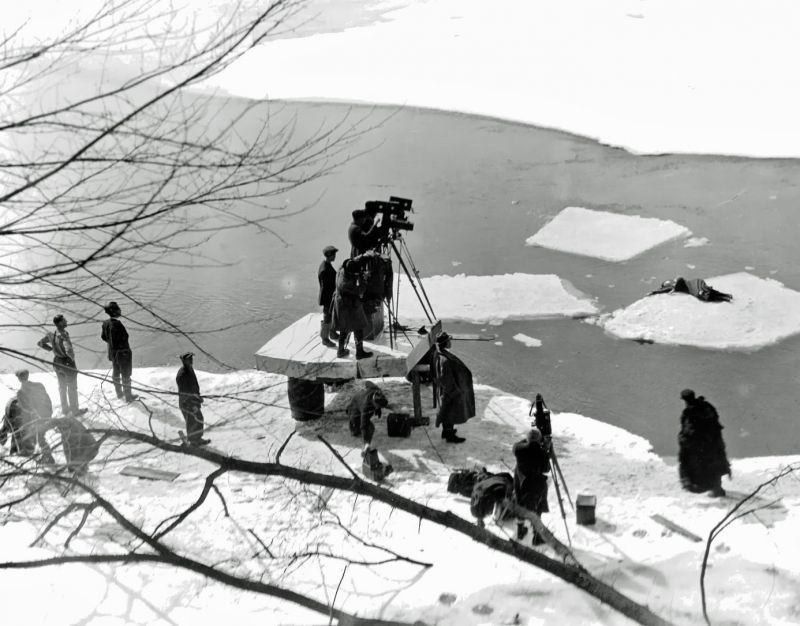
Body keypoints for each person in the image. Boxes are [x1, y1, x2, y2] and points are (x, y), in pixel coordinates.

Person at [678, 389, 731, 497]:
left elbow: (690, 429)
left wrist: (683, 439)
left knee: (700, 464)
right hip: (712, 442)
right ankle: (716, 487)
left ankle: (702, 487)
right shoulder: (707, 406)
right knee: (713, 463)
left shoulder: (690, 411)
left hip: (701, 443)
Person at [37, 314, 87, 417]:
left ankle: (65, 409)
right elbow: (68, 349)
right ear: (60, 322)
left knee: (62, 387)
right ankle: (75, 410)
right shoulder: (64, 334)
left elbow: (40, 343)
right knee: (72, 388)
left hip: (56, 362)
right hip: (66, 363)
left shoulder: (51, 334)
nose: (66, 321)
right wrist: (71, 359)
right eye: (64, 320)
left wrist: (50, 349)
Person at [432, 332, 475, 444]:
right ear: (445, 343)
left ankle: (447, 431)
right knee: (449, 412)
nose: (450, 342)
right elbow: (445, 378)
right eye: (449, 340)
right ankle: (449, 436)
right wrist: (455, 392)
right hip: (449, 391)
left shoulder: (439, 354)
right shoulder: (444, 360)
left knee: (447, 411)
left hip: (447, 390)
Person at [513, 428, 551, 543]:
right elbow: (546, 469)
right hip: (535, 484)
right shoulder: (542, 453)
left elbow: (519, 444)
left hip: (520, 482)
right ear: (539, 440)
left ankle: (520, 530)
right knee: (538, 507)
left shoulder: (518, 449)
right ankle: (537, 536)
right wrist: (546, 449)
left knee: (520, 504)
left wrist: (534, 442)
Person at [331, 256, 373, 360]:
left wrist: (364, 256)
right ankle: (359, 353)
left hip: (341, 304)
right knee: (358, 328)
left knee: (343, 328)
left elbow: (353, 265)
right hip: (348, 305)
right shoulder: (345, 284)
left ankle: (340, 351)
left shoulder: (342, 269)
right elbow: (360, 291)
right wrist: (364, 278)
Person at [101, 301, 138, 402]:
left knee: (116, 373)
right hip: (122, 354)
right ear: (115, 311)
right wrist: (124, 350)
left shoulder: (105, 323)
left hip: (113, 354)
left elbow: (104, 337)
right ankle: (128, 397)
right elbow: (121, 339)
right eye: (118, 308)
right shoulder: (116, 325)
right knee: (126, 375)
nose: (120, 310)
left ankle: (119, 393)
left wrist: (113, 348)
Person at [176, 352, 210, 446]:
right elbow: (185, 392)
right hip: (187, 402)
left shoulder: (190, 369)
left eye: (191, 359)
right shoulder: (182, 374)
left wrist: (198, 397)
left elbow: (194, 387)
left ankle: (197, 439)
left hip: (193, 400)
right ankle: (193, 441)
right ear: (184, 361)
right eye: (189, 360)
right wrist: (192, 402)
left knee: (198, 419)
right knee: (192, 421)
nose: (191, 361)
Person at [318, 245, 340, 348]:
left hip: (330, 296)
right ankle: (325, 339)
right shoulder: (324, 270)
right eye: (334, 254)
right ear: (329, 255)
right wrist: (331, 299)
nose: (335, 256)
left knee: (331, 315)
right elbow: (325, 288)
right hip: (327, 297)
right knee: (327, 317)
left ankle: (332, 332)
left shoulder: (327, 265)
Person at [648, 277, 732, 302]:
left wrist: (654, 292)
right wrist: (655, 292)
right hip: (695, 285)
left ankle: (724, 297)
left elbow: (678, 282)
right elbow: (665, 289)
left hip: (694, 285)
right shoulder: (675, 284)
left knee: (702, 294)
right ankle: (725, 296)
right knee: (705, 292)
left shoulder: (678, 282)